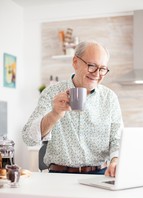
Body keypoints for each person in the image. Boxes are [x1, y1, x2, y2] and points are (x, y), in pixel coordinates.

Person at [22, 40, 123, 177]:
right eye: (91, 66)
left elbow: (117, 138)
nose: (97, 74)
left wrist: (115, 160)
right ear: (75, 62)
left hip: (100, 175)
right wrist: (54, 114)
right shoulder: (52, 92)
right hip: (59, 176)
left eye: (102, 69)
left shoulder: (109, 98)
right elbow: (28, 137)